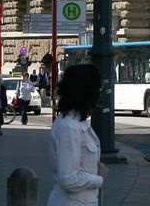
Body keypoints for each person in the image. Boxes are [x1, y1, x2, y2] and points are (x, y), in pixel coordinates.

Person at [46, 65, 107, 206]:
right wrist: (98, 178)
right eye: (98, 89)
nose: (99, 94)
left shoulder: (76, 123)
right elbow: (68, 179)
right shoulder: (69, 127)